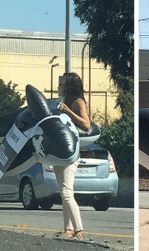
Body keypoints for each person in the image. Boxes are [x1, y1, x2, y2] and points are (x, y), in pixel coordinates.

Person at [53, 72, 91, 240]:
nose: (60, 86)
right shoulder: (64, 102)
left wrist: (68, 111)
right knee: (63, 193)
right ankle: (68, 229)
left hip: (71, 154)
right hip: (58, 153)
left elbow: (86, 124)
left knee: (68, 193)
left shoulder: (78, 103)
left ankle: (79, 230)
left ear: (70, 86)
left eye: (63, 83)